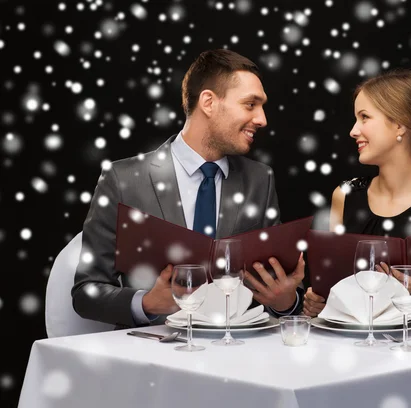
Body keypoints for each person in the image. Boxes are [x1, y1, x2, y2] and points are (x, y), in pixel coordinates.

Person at [73, 49, 304, 328]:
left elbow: (273, 284)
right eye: (250, 104)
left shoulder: (260, 180)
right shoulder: (123, 180)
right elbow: (86, 292)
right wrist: (147, 303)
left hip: (235, 353)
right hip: (152, 357)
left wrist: (285, 302)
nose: (262, 119)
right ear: (208, 102)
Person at [303, 69, 411, 330]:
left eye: (364, 117)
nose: (353, 131)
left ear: (400, 124)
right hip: (350, 351)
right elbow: (335, 295)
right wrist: (318, 303)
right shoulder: (344, 195)